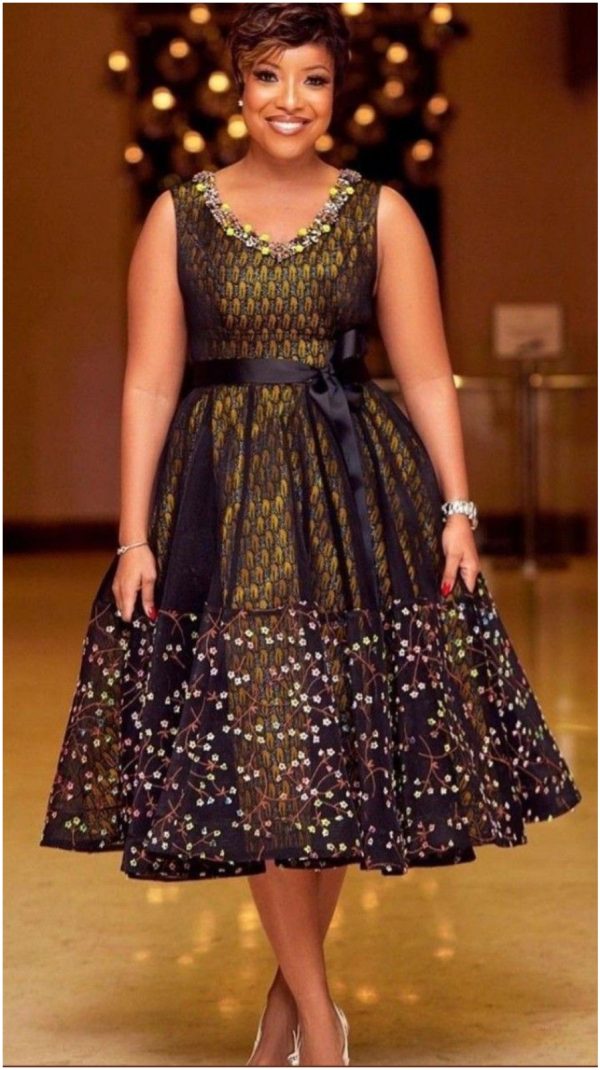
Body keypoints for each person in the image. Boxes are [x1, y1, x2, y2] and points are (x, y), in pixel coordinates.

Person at [40, 4, 582, 1066]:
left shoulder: (381, 214)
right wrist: (132, 536)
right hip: (222, 504)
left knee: (328, 752)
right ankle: (321, 1025)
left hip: (354, 501)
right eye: (269, 76)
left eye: (314, 79)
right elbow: (148, 383)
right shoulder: (179, 216)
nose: (291, 99)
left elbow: (426, 374)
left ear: (339, 92)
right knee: (265, 751)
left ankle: (295, 1005)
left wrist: (459, 511)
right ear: (237, 86)